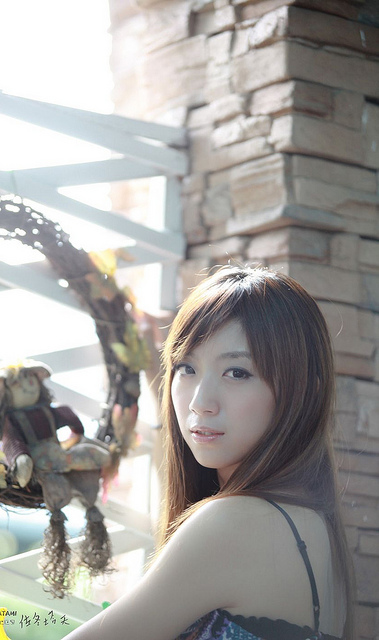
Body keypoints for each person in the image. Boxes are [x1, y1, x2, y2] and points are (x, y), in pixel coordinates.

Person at [62, 265, 354, 640]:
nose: (200, 403)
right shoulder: (317, 529)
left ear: (304, 390)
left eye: (237, 372)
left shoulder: (233, 523)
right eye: (186, 368)